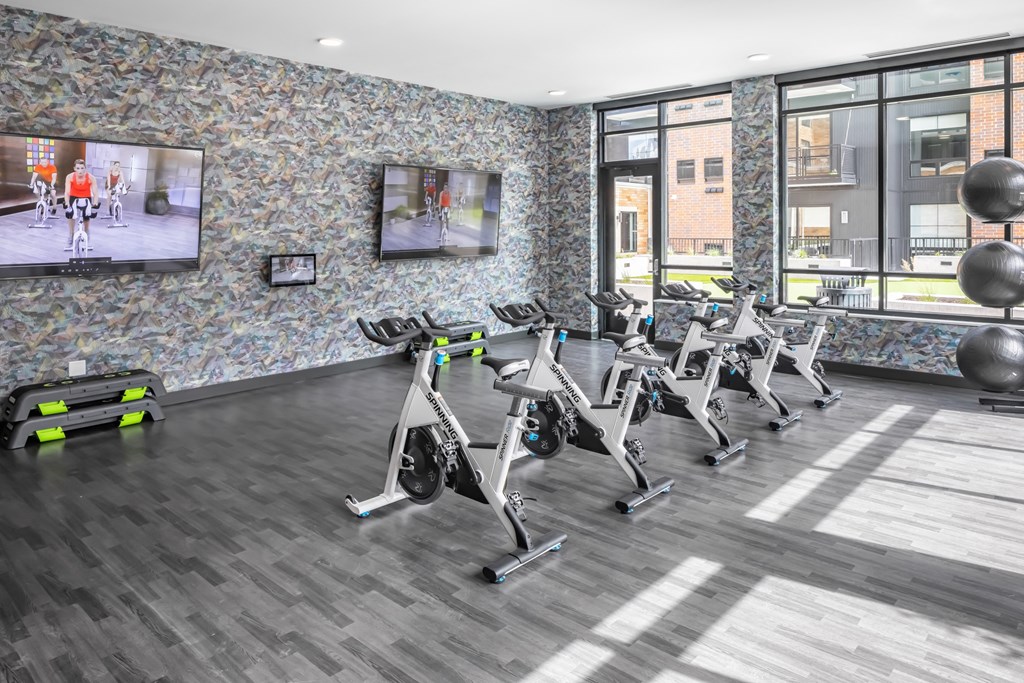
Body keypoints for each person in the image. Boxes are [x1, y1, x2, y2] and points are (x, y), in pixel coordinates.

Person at [64, 158, 99, 247]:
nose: (80, 171)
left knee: (86, 217)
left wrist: (95, 203)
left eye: (82, 168)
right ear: (74, 169)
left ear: (85, 168)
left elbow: (95, 193)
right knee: (71, 214)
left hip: (86, 197)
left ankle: (86, 232)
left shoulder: (91, 178)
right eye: (78, 168)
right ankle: (71, 234)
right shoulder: (70, 177)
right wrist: (67, 202)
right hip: (73, 197)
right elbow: (67, 192)